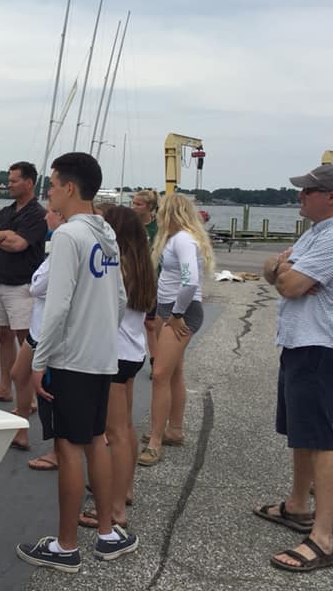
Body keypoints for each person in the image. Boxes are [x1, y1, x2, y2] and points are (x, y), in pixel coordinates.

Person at [16, 152, 135, 574]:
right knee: (95, 440)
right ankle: (107, 533)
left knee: (67, 447)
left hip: (70, 359)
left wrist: (40, 359)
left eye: (51, 185)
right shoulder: (106, 231)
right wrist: (102, 337)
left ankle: (66, 546)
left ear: (69, 187)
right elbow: (119, 298)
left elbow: (58, 305)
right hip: (101, 356)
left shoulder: (68, 235)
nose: (48, 193)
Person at [256, 164, 333, 573]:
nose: (299, 197)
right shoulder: (317, 232)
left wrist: (287, 272)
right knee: (301, 434)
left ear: (331, 197)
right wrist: (283, 268)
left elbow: (288, 285)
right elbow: (273, 271)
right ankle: (298, 504)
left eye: (307, 191)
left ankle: (322, 539)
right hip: (301, 343)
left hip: (319, 346)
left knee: (318, 439)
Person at [79, 205, 157, 530]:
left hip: (113, 355)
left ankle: (115, 511)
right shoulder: (142, 266)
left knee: (115, 433)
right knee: (125, 427)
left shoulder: (116, 268)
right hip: (132, 351)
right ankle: (124, 490)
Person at [138, 193, 214, 467]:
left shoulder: (182, 240)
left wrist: (178, 314)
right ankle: (175, 429)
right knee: (174, 372)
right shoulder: (179, 238)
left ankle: (155, 442)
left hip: (179, 311)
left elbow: (190, 281)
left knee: (160, 374)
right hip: (169, 308)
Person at [0, 161, 47, 403]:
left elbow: (19, 245)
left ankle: (30, 396)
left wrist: (0, 236)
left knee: (24, 339)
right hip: (0, 281)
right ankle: (4, 388)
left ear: (29, 183)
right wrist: (6, 234)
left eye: (14, 181)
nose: (9, 185)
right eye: (9, 180)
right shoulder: (6, 212)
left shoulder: (37, 215)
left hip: (22, 284)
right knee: (3, 335)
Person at [8, 202, 64, 454]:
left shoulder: (63, 246)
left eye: (50, 211)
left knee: (51, 389)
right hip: (38, 330)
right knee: (19, 374)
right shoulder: (58, 246)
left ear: (59, 216)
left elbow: (38, 286)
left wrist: (36, 281)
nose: (45, 216)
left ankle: (58, 450)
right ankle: (22, 429)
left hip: (48, 332)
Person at [131, 189, 161, 375]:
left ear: (150, 207)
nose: (134, 207)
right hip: (134, 279)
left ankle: (156, 360)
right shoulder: (131, 224)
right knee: (138, 321)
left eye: (138, 204)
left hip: (153, 280)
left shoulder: (158, 227)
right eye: (133, 203)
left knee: (152, 324)